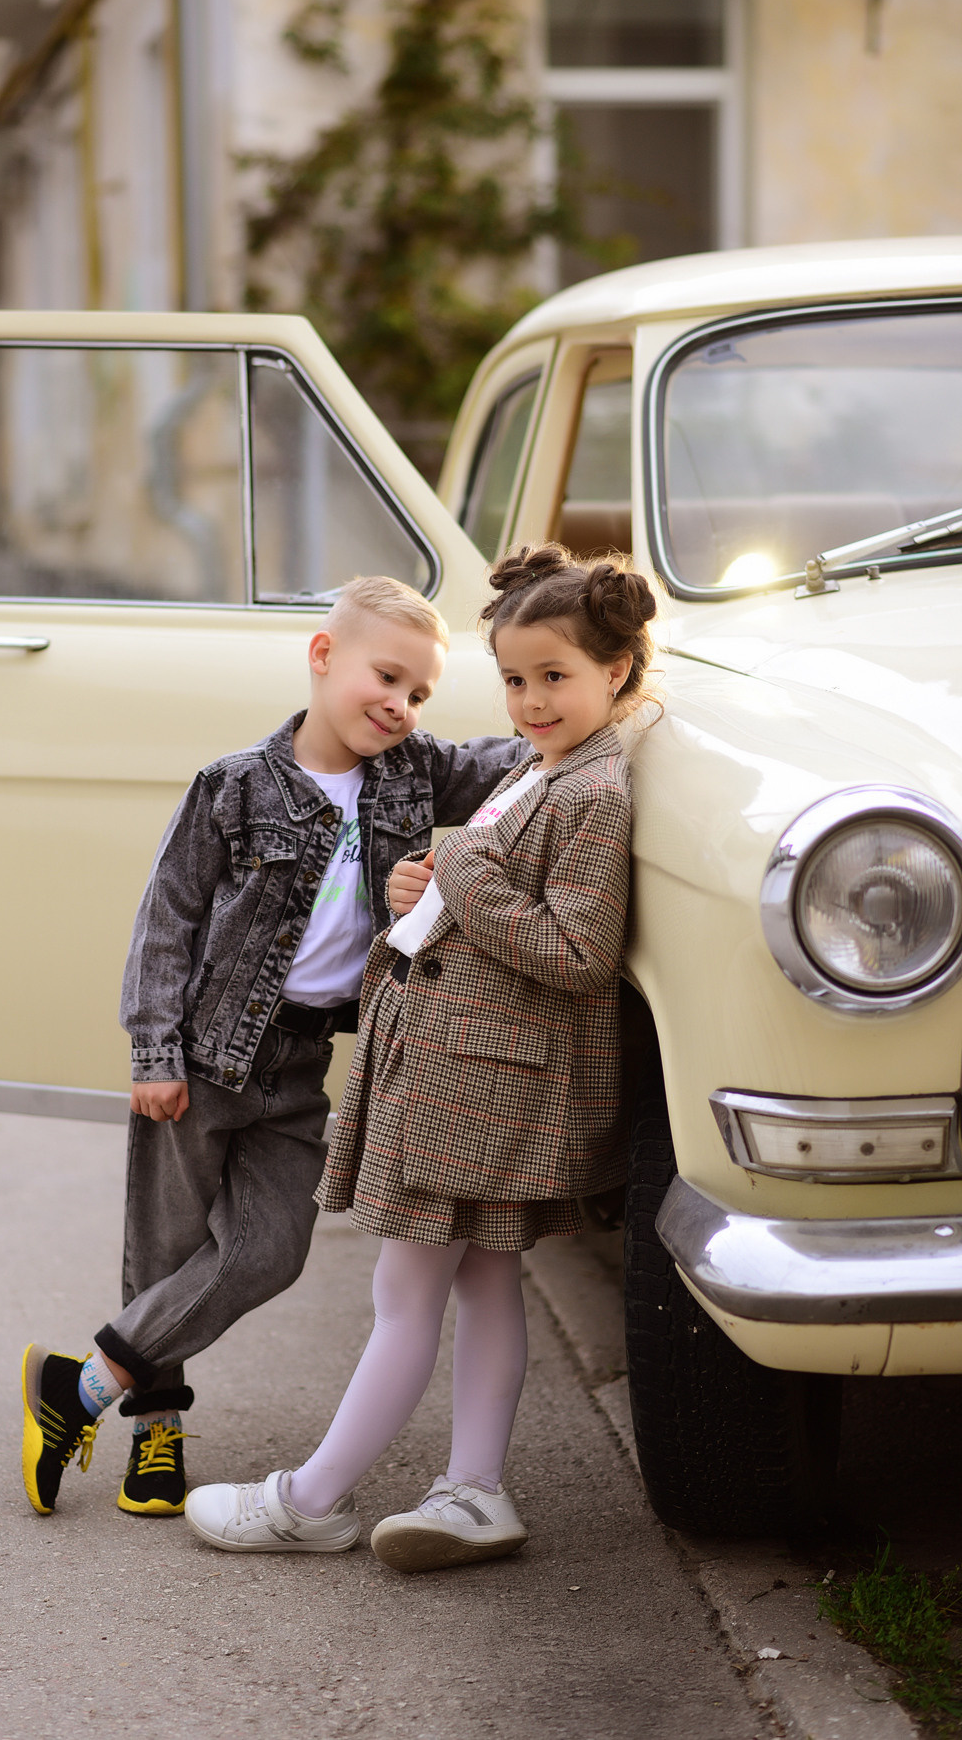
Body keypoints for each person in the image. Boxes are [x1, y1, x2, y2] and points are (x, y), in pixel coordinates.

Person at [183, 545, 657, 1571]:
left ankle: (310, 1501)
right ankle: (474, 1492)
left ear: (616, 670)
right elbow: (481, 884)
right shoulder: (545, 769)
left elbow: (578, 951)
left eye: (555, 676)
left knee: (405, 1296)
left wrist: (468, 875)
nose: (530, 702)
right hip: (460, 1073)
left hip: (476, 1091)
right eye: (516, 680)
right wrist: (422, 884)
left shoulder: (592, 790)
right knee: (484, 1283)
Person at [20, 575, 529, 1519]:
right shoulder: (233, 786)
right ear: (323, 656)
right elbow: (165, 922)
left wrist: (611, 708)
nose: (401, 704)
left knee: (271, 1248)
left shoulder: (415, 773)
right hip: (204, 1057)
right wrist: (153, 1055)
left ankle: (78, 1385)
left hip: (298, 1066)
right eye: (386, 677)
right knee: (167, 1244)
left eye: (420, 692)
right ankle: (154, 1430)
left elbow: (521, 754)